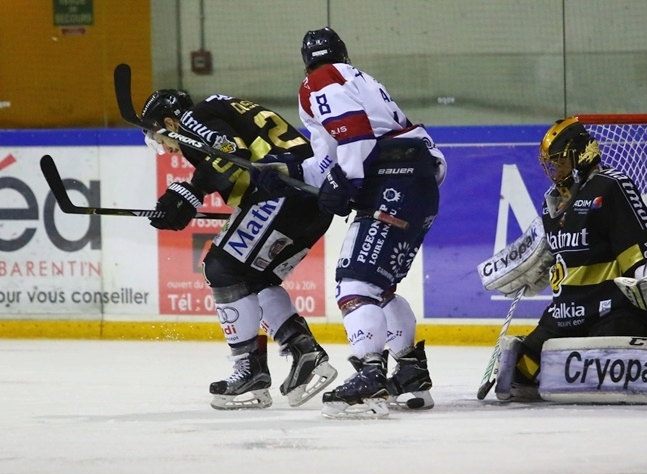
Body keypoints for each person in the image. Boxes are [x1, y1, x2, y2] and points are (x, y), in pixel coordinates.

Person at [480, 116, 647, 403]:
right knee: (519, 370)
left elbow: (643, 235)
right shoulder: (551, 203)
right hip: (564, 317)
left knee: (611, 363)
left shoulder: (609, 186)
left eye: (561, 161)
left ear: (581, 156)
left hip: (612, 313)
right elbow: (553, 254)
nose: (555, 170)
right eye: (551, 163)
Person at [262, 27, 447, 418]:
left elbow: (354, 136)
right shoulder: (358, 79)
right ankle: (411, 374)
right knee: (379, 288)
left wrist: (347, 180)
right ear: (343, 51)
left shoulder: (320, 79)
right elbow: (333, 157)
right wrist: (284, 170)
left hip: (393, 182)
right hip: (417, 182)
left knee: (355, 284)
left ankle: (370, 375)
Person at [140, 89, 338, 410]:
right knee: (253, 282)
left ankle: (250, 370)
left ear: (169, 122)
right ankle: (305, 354)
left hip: (282, 191)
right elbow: (235, 158)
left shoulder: (193, 119)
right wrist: (190, 195)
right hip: (312, 199)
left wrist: (191, 191)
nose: (164, 147)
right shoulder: (218, 111)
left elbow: (230, 151)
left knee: (221, 269)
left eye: (159, 137)